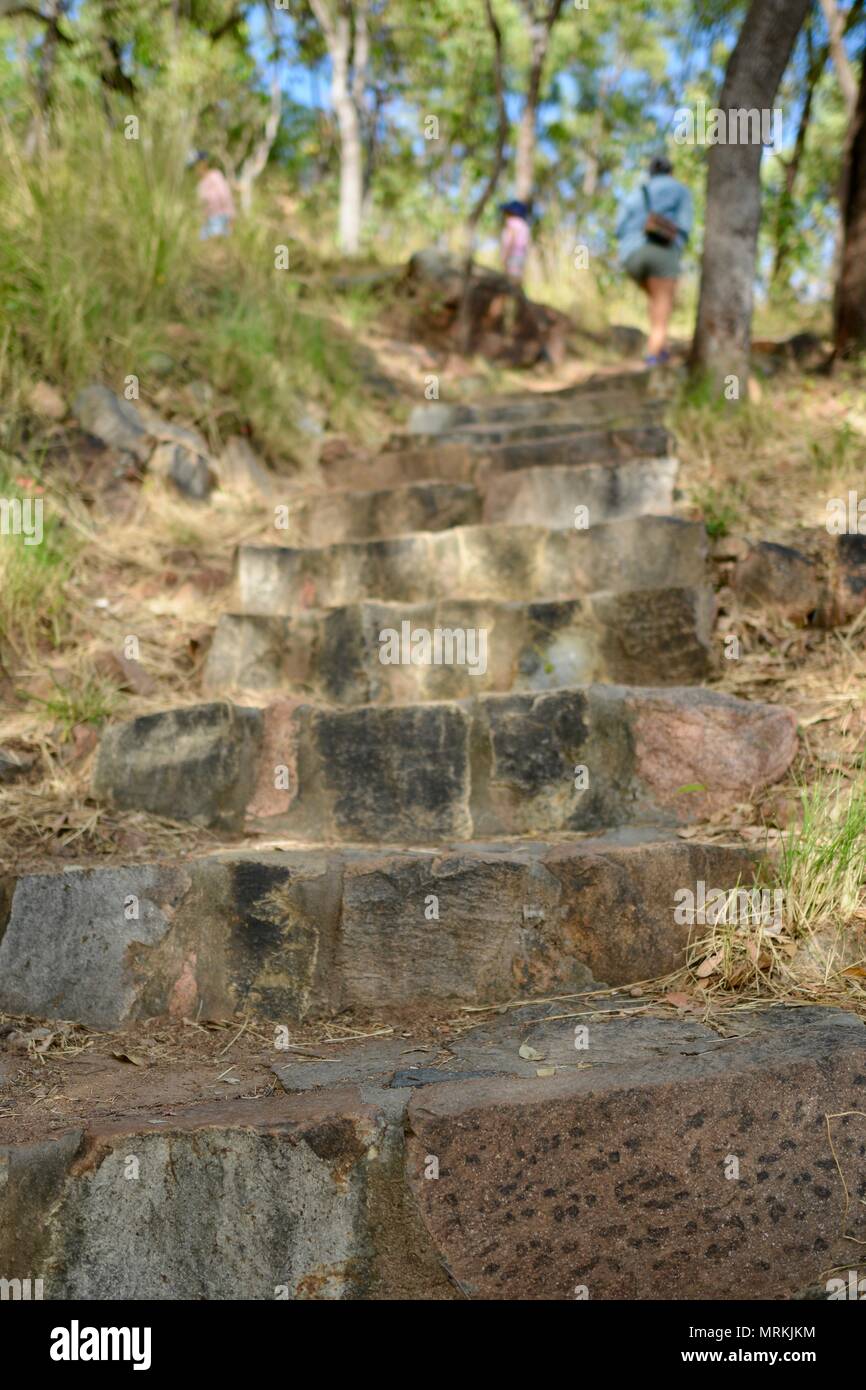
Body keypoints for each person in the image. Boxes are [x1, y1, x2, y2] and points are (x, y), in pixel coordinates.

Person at [616, 155, 692, 366]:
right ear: (670, 171)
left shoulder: (636, 193)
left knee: (655, 300)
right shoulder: (680, 190)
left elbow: (619, 227)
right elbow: (685, 227)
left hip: (631, 256)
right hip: (661, 252)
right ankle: (653, 357)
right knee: (663, 305)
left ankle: (662, 349)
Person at [192, 152, 236, 240]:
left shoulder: (215, 176)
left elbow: (225, 196)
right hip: (207, 222)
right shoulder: (200, 184)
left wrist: (231, 216)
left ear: (203, 164)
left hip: (220, 219)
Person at [500, 200, 532, 285]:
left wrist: (505, 256)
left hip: (512, 256)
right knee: (517, 280)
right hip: (520, 256)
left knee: (508, 281)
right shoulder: (525, 226)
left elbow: (511, 239)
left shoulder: (512, 223)